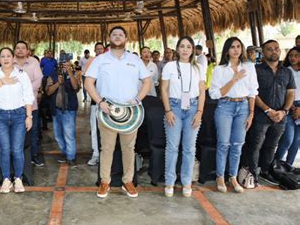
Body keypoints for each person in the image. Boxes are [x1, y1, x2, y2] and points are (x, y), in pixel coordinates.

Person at [85, 26, 152, 198]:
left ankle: (127, 181)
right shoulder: (100, 59)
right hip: (107, 110)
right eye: (114, 34)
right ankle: (105, 182)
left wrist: (138, 99)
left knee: (129, 148)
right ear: (109, 38)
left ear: (126, 38)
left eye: (120, 34)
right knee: (106, 148)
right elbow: (88, 83)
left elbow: (147, 82)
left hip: (130, 112)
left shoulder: (134, 60)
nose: (117, 37)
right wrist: (100, 102)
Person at [209, 37, 258, 194]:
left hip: (243, 107)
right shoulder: (220, 69)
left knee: (238, 144)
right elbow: (214, 94)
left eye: (238, 46)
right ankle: (220, 177)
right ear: (227, 50)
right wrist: (234, 79)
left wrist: (251, 113)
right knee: (224, 143)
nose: (236, 50)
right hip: (225, 106)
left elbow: (253, 92)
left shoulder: (249, 67)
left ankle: (233, 177)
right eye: (232, 47)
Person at [0, 47, 34, 193]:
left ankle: (18, 178)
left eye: (8, 56)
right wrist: (2, 81)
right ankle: (6, 179)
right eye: (2, 56)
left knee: (17, 150)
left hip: (19, 116)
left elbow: (28, 96)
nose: (5, 59)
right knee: (4, 150)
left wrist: (29, 116)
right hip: (0, 116)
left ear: (13, 59)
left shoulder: (22, 75)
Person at [244, 39, 295, 186]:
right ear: (263, 52)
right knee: (256, 144)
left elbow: (291, 93)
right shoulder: (256, 70)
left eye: (276, 49)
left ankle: (265, 171)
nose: (274, 51)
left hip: (280, 116)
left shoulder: (287, 72)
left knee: (272, 145)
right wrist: (267, 109)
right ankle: (253, 173)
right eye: (270, 49)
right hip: (261, 114)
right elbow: (253, 93)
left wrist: (284, 111)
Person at [161, 36, 206, 198]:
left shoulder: (199, 67)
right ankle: (170, 182)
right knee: (172, 147)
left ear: (193, 49)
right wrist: (168, 111)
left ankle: (186, 182)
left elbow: (202, 91)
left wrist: (200, 112)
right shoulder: (170, 66)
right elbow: (164, 89)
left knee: (189, 148)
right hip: (174, 108)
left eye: (188, 46)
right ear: (177, 49)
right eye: (182, 46)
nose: (185, 49)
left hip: (193, 108)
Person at [13, 41, 43, 166]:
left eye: (23, 48)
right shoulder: (9, 61)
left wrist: (24, 91)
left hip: (31, 105)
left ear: (27, 51)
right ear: (14, 50)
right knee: (16, 132)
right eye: (17, 48)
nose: (20, 50)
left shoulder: (34, 62)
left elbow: (38, 80)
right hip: (13, 105)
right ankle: (17, 157)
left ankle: (34, 156)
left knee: (33, 131)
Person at [46, 60, 81, 166]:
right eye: (62, 65)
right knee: (57, 135)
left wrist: (70, 73)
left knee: (69, 134)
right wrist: (58, 83)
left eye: (67, 65)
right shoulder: (52, 76)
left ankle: (71, 157)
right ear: (58, 66)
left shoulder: (75, 74)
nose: (64, 67)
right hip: (56, 109)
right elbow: (48, 91)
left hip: (69, 110)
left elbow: (76, 88)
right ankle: (65, 152)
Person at [276, 47, 300, 166]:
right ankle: (275, 164)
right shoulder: (285, 71)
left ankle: (288, 166)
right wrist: (290, 105)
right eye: (291, 55)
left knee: (297, 141)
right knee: (288, 139)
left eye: (296, 55)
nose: (293, 58)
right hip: (289, 105)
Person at [86, 42, 105, 166]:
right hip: (95, 102)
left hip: (109, 102)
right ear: (94, 50)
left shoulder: (109, 62)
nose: (99, 51)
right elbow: (88, 82)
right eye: (97, 49)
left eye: (101, 49)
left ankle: (106, 154)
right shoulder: (91, 63)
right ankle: (96, 154)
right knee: (94, 129)